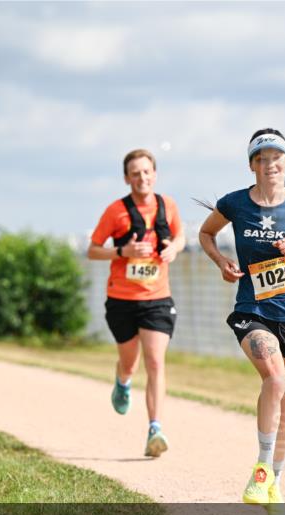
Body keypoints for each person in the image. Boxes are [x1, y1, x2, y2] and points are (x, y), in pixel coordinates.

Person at [198, 128, 285, 515]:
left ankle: (273, 485)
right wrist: (221, 261)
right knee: (273, 380)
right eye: (262, 159)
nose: (270, 164)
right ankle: (260, 472)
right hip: (253, 309)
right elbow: (206, 233)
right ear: (252, 165)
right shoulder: (235, 204)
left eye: (276, 157)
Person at [87, 149, 186, 457]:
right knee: (130, 361)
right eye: (135, 173)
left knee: (155, 361)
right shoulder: (115, 211)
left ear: (154, 174)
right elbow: (92, 250)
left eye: (146, 172)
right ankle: (123, 380)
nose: (142, 178)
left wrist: (175, 250)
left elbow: (180, 235)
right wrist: (123, 252)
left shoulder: (167, 205)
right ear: (126, 178)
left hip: (157, 298)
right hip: (121, 299)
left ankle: (155, 428)